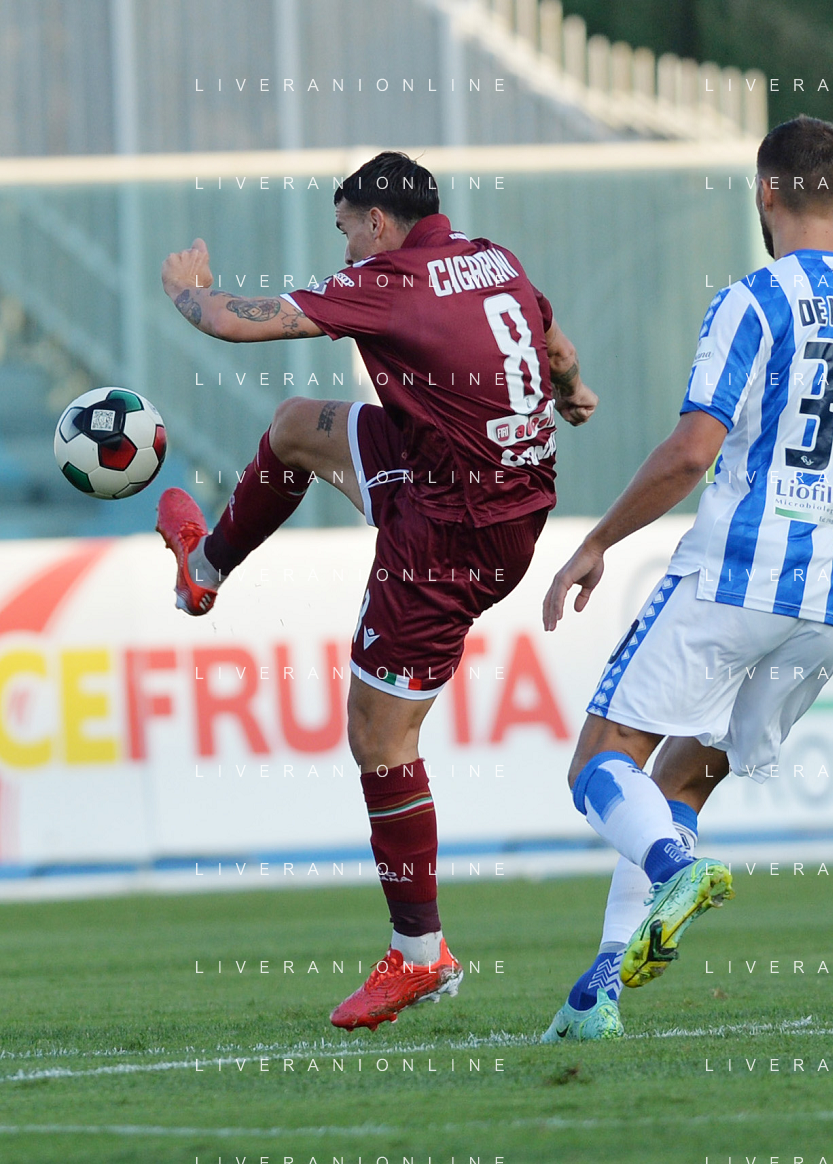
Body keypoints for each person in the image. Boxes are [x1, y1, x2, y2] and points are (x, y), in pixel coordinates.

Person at [539, 115, 833, 1041]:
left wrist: (599, 541)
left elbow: (691, 451)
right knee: (684, 776)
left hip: (738, 574)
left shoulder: (753, 301)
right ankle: (598, 994)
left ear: (764, 191)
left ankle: (674, 868)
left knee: (599, 762)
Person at [156, 150, 597, 1032]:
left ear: (378, 221)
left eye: (347, 229)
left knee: (378, 736)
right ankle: (203, 572)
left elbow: (237, 321)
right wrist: (572, 393)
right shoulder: (493, 259)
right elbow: (554, 346)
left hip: (450, 536)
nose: (346, 249)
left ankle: (420, 954)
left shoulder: (389, 281)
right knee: (295, 429)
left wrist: (187, 292)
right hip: (496, 493)